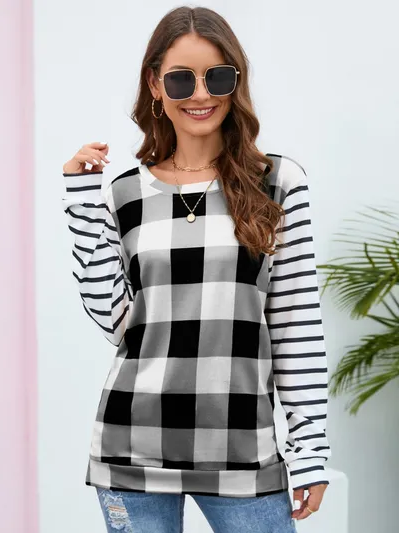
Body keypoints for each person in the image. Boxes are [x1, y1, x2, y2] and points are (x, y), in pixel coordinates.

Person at [61, 6, 331, 533]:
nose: (201, 94)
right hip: (131, 451)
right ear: (155, 85)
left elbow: (296, 327)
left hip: (244, 454)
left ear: (237, 82)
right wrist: (80, 199)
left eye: (217, 77)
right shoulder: (125, 193)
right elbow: (116, 321)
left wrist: (310, 451)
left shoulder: (277, 183)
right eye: (181, 79)